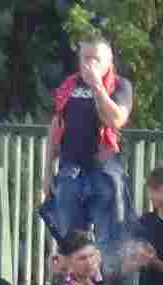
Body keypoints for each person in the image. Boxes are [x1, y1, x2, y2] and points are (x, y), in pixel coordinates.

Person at [42, 36, 133, 253]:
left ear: (108, 62)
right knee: (71, 244)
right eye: (85, 58)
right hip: (70, 169)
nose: (89, 64)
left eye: (96, 59)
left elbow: (116, 119)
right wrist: (47, 172)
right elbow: (56, 126)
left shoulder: (119, 85)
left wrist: (98, 88)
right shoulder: (68, 85)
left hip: (104, 170)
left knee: (108, 243)